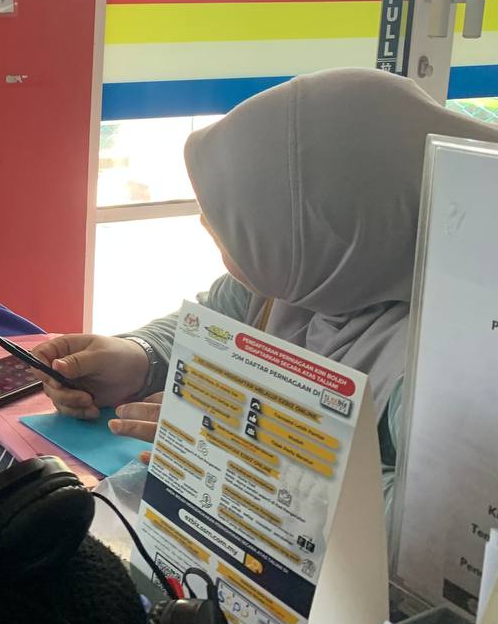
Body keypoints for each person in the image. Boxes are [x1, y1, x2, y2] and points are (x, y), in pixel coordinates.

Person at [33, 68, 498, 495]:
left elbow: (435, 521)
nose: (204, 223)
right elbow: (212, 325)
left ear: (325, 230)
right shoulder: (313, 277)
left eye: (242, 223)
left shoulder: (450, 369)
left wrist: (246, 455)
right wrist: (139, 358)